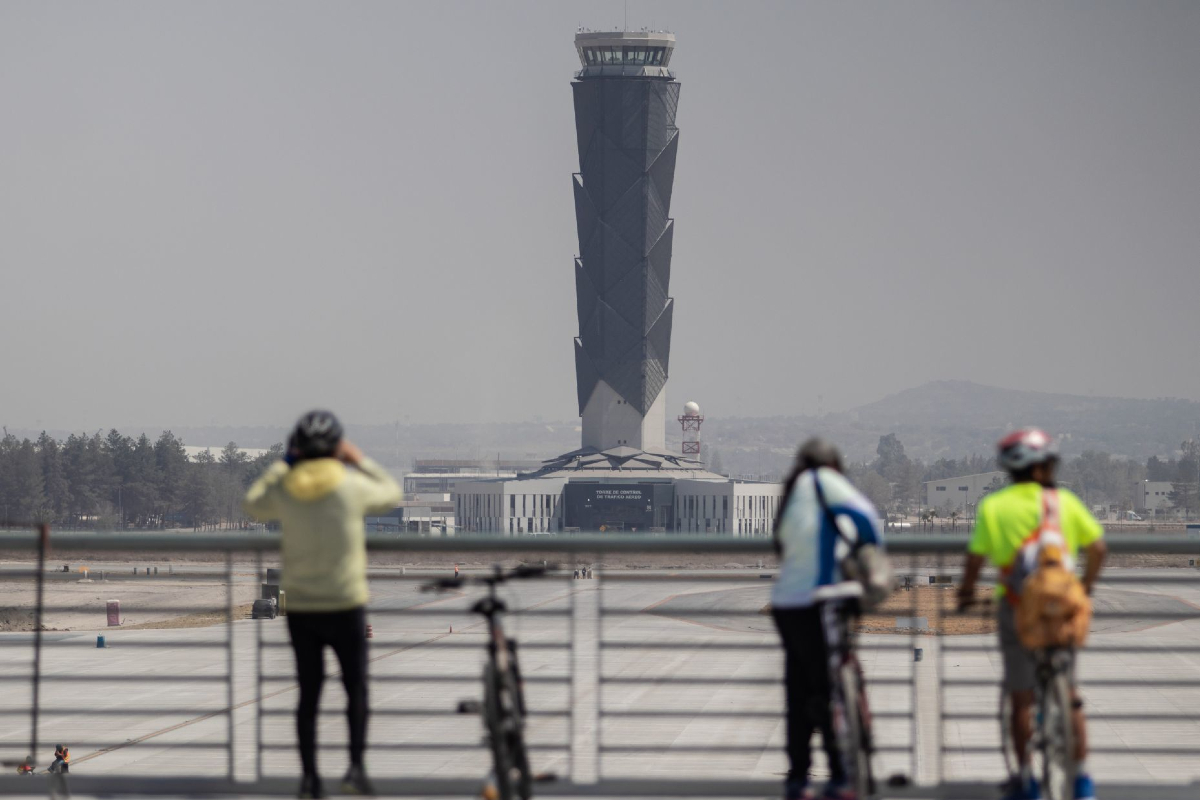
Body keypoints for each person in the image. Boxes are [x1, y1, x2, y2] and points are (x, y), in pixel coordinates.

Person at [244, 410, 403, 799]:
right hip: (346, 603)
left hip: (303, 609)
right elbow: (392, 493)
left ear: (298, 448)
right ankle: (355, 768)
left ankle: (310, 778)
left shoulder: (289, 487)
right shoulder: (350, 485)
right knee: (356, 690)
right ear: (336, 448)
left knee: (309, 696)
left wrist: (285, 462)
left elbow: (254, 502)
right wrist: (356, 458)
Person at [957, 428, 1107, 800]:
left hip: (1019, 608)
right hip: (1062, 611)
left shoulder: (995, 507)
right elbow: (1099, 548)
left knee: (1020, 697)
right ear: (1045, 465)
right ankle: (1082, 780)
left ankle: (1025, 779)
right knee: (1070, 693)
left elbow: (975, 560)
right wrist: (1084, 587)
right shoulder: (1064, 502)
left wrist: (966, 592)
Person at [771, 438, 884, 800]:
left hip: (787, 605)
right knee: (828, 686)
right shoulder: (825, 481)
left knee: (798, 686)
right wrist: (867, 553)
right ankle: (839, 774)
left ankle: (798, 776)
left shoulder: (791, 491)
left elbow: (782, 546)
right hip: (822, 599)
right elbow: (868, 522)